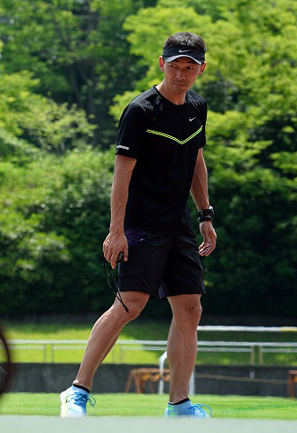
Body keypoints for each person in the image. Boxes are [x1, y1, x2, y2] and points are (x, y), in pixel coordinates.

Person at [59, 32, 217, 418]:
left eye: (190, 68)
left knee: (190, 308)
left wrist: (205, 215)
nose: (182, 74)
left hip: (178, 225)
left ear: (201, 69)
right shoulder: (141, 110)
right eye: (175, 66)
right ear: (162, 63)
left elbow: (196, 162)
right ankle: (76, 391)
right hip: (141, 225)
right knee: (130, 305)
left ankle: (179, 405)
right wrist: (117, 230)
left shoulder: (197, 107)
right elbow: (121, 175)